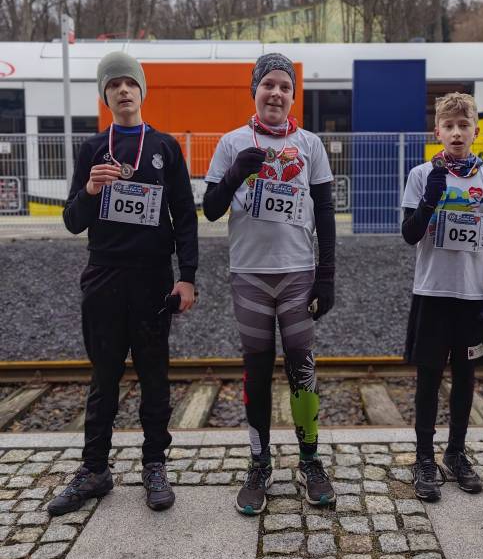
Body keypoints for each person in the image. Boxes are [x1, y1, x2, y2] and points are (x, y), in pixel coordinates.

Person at [47, 51, 198, 516]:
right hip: (104, 276)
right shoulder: (93, 149)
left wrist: (187, 277)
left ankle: (154, 464)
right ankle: (95, 470)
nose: (123, 90)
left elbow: (185, 216)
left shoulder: (165, 147)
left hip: (152, 279)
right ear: (105, 95)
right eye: (113, 84)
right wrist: (91, 191)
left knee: (154, 375)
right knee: (104, 377)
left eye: (130, 82)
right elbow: (72, 220)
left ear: (141, 90)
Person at [203, 52, 336, 515]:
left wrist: (327, 275)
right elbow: (211, 209)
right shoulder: (231, 142)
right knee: (256, 370)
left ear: (293, 96)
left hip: (298, 272)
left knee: (302, 367)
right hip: (249, 274)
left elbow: (325, 212)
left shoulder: (310, 144)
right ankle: (259, 464)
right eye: (268, 85)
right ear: (254, 91)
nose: (276, 93)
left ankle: (310, 461)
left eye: (285, 86)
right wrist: (235, 172)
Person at [401, 92, 483, 502]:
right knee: (428, 378)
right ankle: (424, 458)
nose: (456, 133)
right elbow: (410, 234)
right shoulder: (421, 175)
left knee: (465, 377)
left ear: (476, 131)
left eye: (463, 125)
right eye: (448, 126)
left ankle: (456, 453)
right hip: (432, 292)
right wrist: (430, 198)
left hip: (473, 296)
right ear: (437, 132)